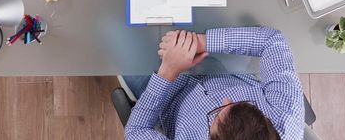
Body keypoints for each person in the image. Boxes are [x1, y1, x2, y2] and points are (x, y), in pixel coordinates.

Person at [123, 27, 304, 140]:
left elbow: (136, 131)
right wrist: (200, 43)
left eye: (217, 115)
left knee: (113, 29)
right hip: (215, 66)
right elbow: (272, 41)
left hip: (163, 96)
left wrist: (169, 71)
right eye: (244, 104)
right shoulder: (285, 116)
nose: (225, 100)